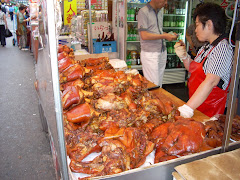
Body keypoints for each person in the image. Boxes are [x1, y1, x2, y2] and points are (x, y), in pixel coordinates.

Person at [174, 3, 234, 118]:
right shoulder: (207, 46)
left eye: (197, 25)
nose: (195, 30)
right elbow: (194, 69)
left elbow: (211, 81)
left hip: (211, 112)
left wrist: (187, 109)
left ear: (209, 24)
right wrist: (184, 56)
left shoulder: (222, 48)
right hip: (198, 106)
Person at [138, 0, 178, 87]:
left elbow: (156, 31)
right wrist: (164, 36)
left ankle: (157, 100)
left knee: (159, 84)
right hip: (150, 53)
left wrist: (168, 34)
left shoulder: (160, 12)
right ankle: (153, 100)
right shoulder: (143, 12)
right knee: (153, 84)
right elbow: (144, 35)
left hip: (162, 51)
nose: (166, 3)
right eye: (164, 0)